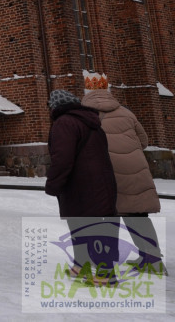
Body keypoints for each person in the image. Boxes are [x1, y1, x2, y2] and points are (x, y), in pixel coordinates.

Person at [82, 84, 165, 273]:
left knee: (109, 218)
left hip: (108, 171)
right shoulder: (126, 113)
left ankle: (107, 264)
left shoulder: (87, 115)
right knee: (139, 215)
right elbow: (143, 141)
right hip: (135, 169)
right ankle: (152, 260)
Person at [45, 89, 119, 279]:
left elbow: (62, 158)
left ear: (56, 106)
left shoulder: (64, 123)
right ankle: (81, 267)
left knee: (87, 228)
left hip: (80, 185)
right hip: (100, 182)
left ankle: (106, 275)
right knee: (91, 226)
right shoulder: (91, 121)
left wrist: (53, 184)